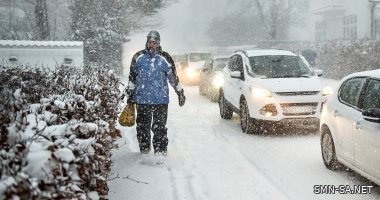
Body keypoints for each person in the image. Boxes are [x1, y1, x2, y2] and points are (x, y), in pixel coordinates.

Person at [125, 30, 186, 157]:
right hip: (142, 100)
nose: (152, 45)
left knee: (159, 128)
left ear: (158, 43)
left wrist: (180, 92)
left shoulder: (165, 57)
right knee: (142, 128)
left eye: (155, 42)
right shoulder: (138, 57)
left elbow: (173, 78)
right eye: (150, 42)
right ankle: (145, 151)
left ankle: (160, 152)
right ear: (146, 43)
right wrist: (130, 94)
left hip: (160, 100)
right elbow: (132, 78)